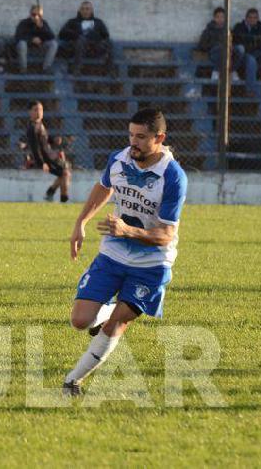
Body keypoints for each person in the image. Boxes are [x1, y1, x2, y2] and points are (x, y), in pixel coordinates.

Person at [61, 108, 188, 397]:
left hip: (152, 264)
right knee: (80, 320)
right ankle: (103, 314)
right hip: (114, 255)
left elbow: (166, 234)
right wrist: (81, 222)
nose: (134, 142)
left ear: (160, 138)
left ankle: (72, 382)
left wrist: (127, 231)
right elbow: (104, 187)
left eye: (141, 137)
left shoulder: (173, 176)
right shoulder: (120, 159)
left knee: (118, 322)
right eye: (131, 135)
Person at [23, 101, 71, 202]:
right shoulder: (32, 128)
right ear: (30, 112)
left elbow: (44, 139)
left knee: (64, 173)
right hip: (47, 158)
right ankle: (63, 200)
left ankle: (50, 193)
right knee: (65, 174)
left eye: (41, 109)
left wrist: (53, 140)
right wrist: (42, 163)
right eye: (36, 110)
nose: (39, 112)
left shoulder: (39, 124)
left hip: (51, 156)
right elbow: (35, 148)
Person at [58, 1, 114, 77]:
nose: (85, 11)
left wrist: (95, 35)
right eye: (83, 9)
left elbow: (106, 36)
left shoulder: (98, 22)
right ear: (80, 11)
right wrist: (76, 34)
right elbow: (62, 34)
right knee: (81, 40)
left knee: (109, 43)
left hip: (94, 49)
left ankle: (109, 71)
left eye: (87, 9)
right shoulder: (73, 22)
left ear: (91, 10)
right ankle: (77, 70)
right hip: (77, 49)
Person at [195, 7, 243, 82]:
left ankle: (232, 71)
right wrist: (216, 44)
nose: (220, 19)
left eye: (222, 17)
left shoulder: (229, 30)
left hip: (229, 53)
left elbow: (234, 43)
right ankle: (216, 71)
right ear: (214, 18)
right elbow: (202, 45)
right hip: (215, 53)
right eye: (218, 17)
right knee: (221, 48)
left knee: (240, 48)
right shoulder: (209, 30)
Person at [231, 8, 261, 97]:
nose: (252, 20)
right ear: (246, 18)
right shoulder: (239, 27)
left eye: (255, 18)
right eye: (250, 17)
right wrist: (253, 42)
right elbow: (236, 42)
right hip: (243, 57)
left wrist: (259, 43)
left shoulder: (260, 29)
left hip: (257, 55)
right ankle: (250, 90)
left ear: (257, 19)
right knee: (251, 59)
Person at [13, 5, 57, 74]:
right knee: (22, 44)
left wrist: (43, 28)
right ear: (30, 14)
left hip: (40, 49)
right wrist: (31, 39)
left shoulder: (43, 23)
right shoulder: (24, 23)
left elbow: (52, 37)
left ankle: (46, 68)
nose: (36, 17)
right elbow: (18, 36)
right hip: (27, 49)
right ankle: (23, 68)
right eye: (34, 15)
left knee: (53, 44)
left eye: (39, 15)